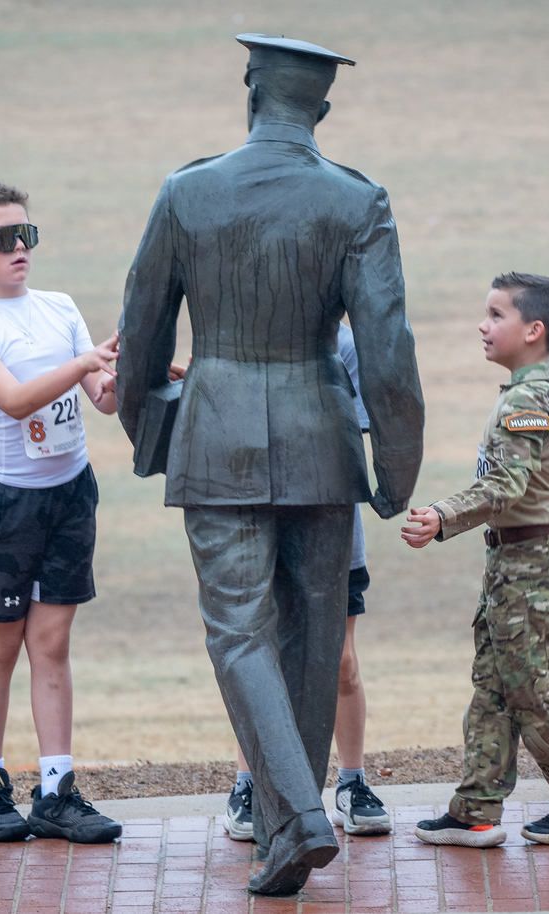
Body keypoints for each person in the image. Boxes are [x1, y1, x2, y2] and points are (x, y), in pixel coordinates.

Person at [116, 35, 423, 895]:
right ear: (321, 108)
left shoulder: (186, 192)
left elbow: (141, 330)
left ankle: (297, 819)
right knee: (314, 634)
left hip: (215, 437)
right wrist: (396, 465)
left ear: (250, 93)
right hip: (321, 436)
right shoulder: (357, 200)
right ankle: (290, 824)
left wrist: (152, 429)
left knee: (240, 631)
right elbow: (389, 348)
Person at [401, 272, 549, 847]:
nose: (483, 325)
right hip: (518, 560)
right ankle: (476, 810)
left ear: (534, 330)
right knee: (494, 686)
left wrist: (443, 515)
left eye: (497, 315)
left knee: (531, 689)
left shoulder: (528, 398)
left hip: (536, 564)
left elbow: (507, 486)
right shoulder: (533, 390)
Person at [0, 181, 122, 844]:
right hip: (6, 503)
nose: (19, 247)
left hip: (72, 493)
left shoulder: (59, 306)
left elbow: (102, 398)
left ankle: (56, 792)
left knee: (52, 643)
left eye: (27, 234)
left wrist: (128, 371)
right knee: (1, 644)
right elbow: (15, 400)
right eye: (2, 238)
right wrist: (83, 362)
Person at [225, 323, 391, 841]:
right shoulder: (241, 337)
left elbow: (344, 433)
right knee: (259, 660)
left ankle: (351, 782)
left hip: (332, 528)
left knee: (340, 662)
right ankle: (249, 785)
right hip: (259, 526)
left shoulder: (345, 345)